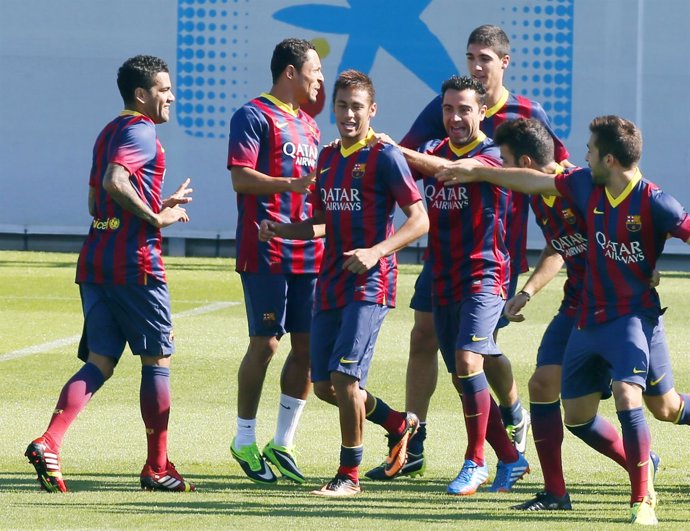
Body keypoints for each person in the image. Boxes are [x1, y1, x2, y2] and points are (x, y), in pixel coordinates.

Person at [437, 115, 690, 524]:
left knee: (664, 407)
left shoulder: (597, 187)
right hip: (581, 306)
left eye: (503, 162)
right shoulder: (559, 191)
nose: (582, 154)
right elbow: (557, 243)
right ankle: (558, 492)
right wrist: (527, 292)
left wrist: (645, 263)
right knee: (549, 391)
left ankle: (642, 481)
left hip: (627, 311)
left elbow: (652, 227)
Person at [398, 25, 573, 468]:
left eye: (485, 59)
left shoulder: (526, 112)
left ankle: (504, 427)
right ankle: (411, 442)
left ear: (504, 62)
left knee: (476, 352)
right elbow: (405, 158)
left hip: (493, 253)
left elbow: (553, 169)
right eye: (470, 57)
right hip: (442, 251)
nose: (476, 66)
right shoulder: (450, 107)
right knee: (426, 338)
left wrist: (561, 231)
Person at [24, 55, 195, 493]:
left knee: (101, 360)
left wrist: (159, 203)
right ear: (142, 95)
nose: (171, 96)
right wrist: (155, 218)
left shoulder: (109, 130)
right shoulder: (141, 130)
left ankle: (50, 442)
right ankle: (157, 468)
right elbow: (115, 181)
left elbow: (94, 198)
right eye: (164, 89)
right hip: (133, 262)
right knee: (157, 360)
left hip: (96, 256)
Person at [260, 69, 429, 496]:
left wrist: (376, 252)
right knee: (324, 386)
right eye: (342, 105)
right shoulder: (329, 156)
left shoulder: (385, 156)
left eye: (357, 106)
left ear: (372, 110)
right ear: (332, 108)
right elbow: (320, 223)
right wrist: (281, 230)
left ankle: (347, 477)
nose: (349, 114)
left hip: (370, 284)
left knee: (346, 380)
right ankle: (397, 423)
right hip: (331, 280)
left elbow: (420, 220)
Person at [367, 76, 530, 495]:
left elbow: (456, 171)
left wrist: (392, 147)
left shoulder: (493, 155)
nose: (455, 118)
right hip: (443, 278)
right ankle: (511, 460)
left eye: (464, 110)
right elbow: (400, 175)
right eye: (448, 110)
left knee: (468, 363)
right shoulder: (434, 150)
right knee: (464, 377)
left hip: (484, 274)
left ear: (481, 113)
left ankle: (475, 463)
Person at [226, 38, 325, 484]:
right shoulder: (252, 115)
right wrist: (296, 182)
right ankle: (244, 438)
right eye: (314, 69)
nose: (319, 78)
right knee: (266, 343)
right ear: (290, 71)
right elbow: (241, 179)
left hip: (311, 251)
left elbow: (315, 191)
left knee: (306, 347)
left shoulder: (311, 126)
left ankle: (283, 442)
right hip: (265, 247)